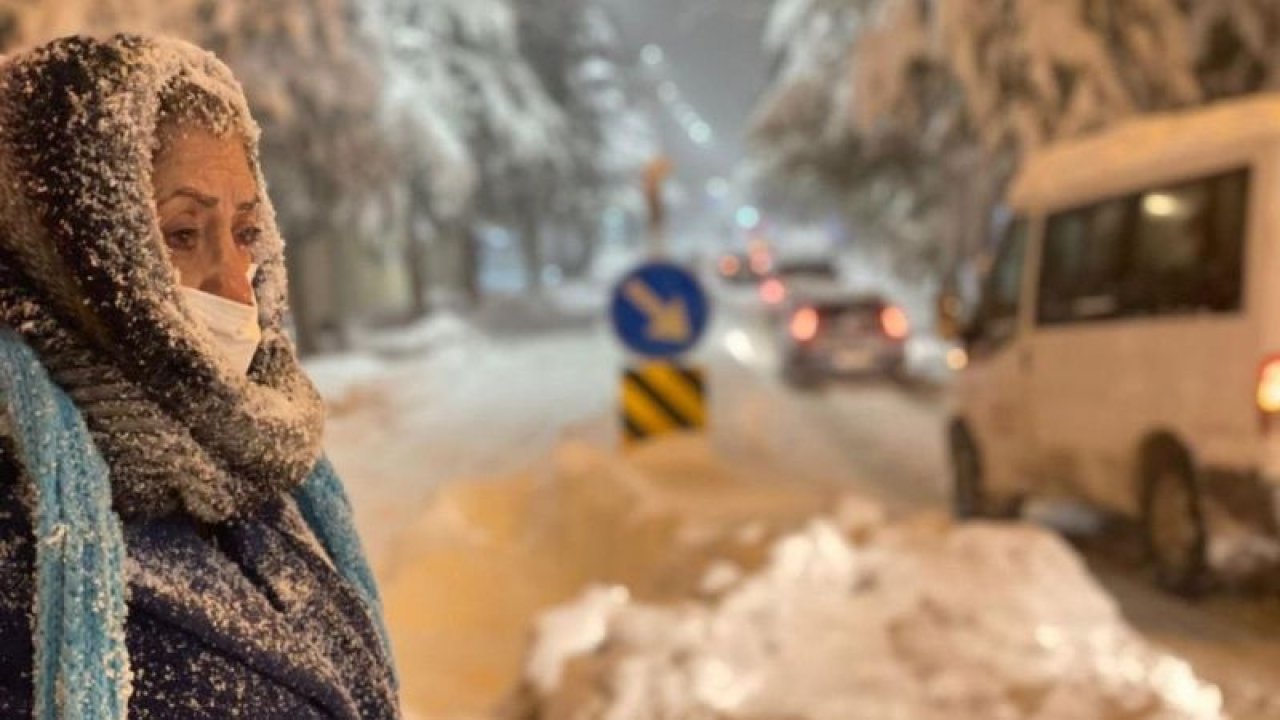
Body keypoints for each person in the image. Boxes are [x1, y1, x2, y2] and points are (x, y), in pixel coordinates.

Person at [0, 34, 399, 719]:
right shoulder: (24, 545)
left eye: (246, 234)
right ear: (69, 254)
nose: (238, 290)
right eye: (182, 234)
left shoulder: (248, 478)